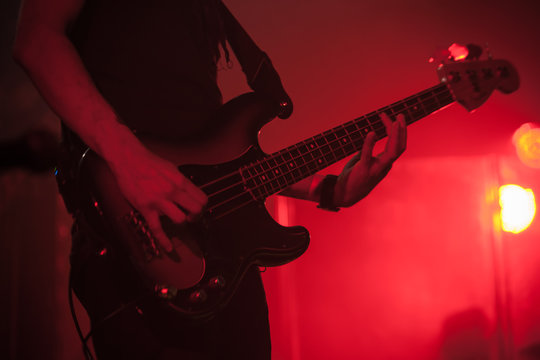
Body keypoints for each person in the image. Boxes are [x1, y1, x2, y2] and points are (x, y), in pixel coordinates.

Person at [13, 0, 407, 358]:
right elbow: (36, 40)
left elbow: (210, 158)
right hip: (137, 241)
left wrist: (326, 189)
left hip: (220, 249)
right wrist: (129, 160)